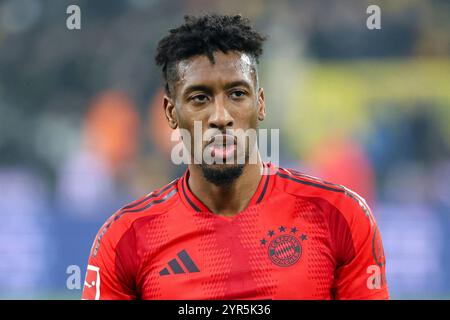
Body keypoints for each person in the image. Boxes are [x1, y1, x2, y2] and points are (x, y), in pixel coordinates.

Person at [82, 14, 388, 300]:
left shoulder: (340, 217)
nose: (220, 116)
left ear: (261, 103)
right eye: (200, 98)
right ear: (171, 113)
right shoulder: (125, 239)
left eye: (237, 94)